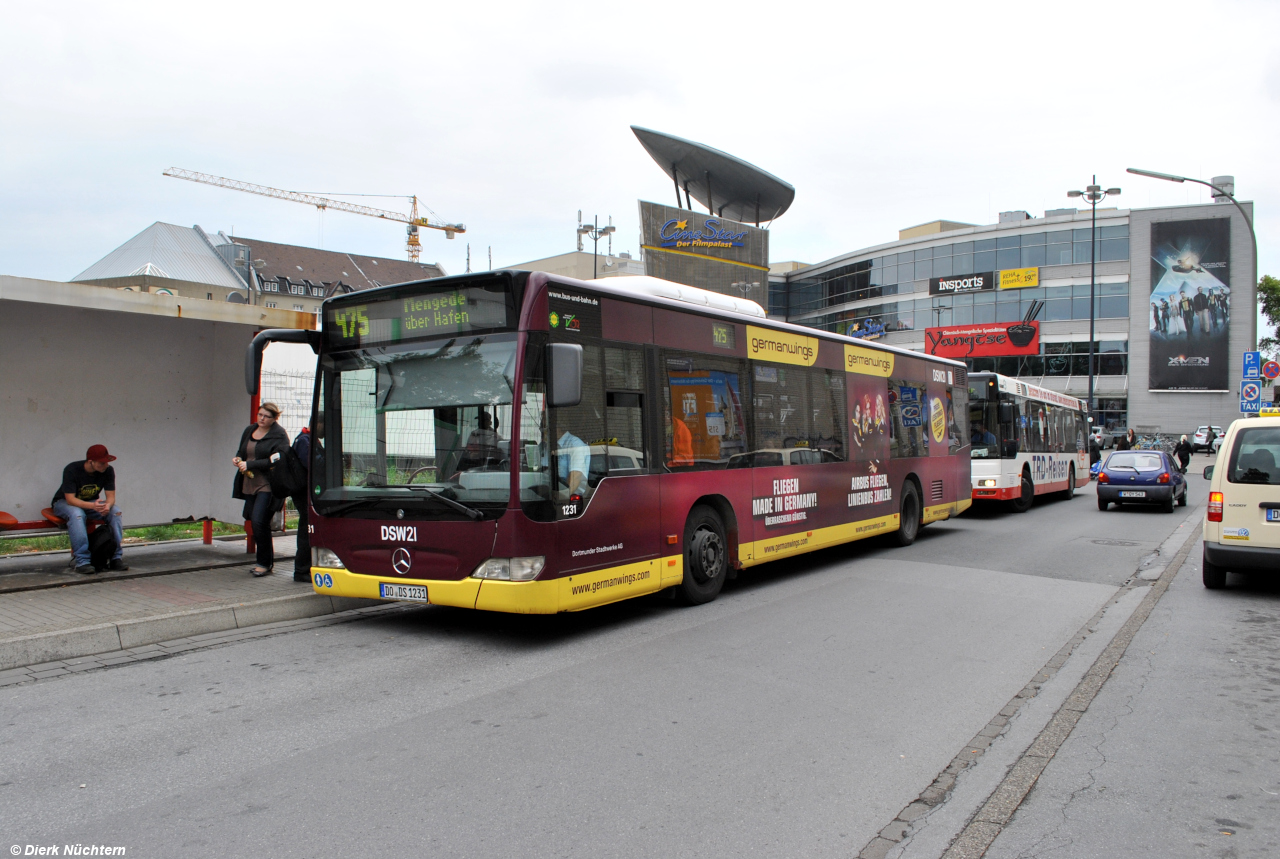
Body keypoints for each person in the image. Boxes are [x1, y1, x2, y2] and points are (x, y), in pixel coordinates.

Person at [232, 402, 291, 577]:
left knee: (259, 520)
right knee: (255, 521)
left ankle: (264, 563)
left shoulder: (279, 435)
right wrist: (238, 459)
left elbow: (277, 460)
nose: (261, 419)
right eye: (260, 415)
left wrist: (250, 464)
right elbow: (242, 451)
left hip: (268, 484)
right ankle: (264, 561)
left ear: (274, 419)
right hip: (249, 482)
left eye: (266, 416)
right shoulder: (249, 430)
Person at [52, 444, 127, 575]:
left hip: (91, 503)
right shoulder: (72, 469)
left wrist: (107, 506)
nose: (105, 466)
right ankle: (82, 561)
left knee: (115, 512)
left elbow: (110, 497)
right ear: (90, 461)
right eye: (101, 463)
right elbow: (70, 499)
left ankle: (116, 557)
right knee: (77, 514)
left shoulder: (108, 471)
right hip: (64, 502)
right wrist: (93, 506)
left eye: (106, 463)